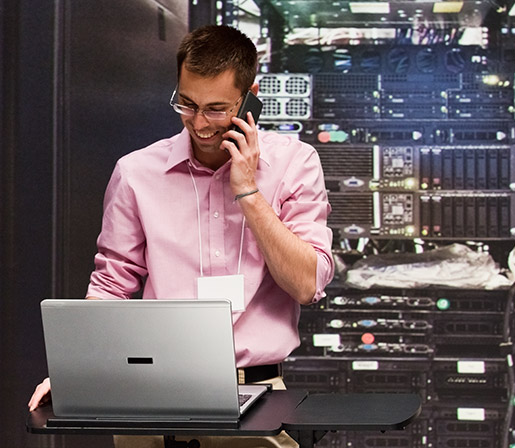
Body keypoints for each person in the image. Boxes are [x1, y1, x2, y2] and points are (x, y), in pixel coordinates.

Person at [28, 24, 335, 448]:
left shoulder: (295, 164)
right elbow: (112, 284)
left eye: (216, 108)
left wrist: (248, 190)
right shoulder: (136, 172)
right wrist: (75, 374)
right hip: (150, 397)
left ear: (251, 97)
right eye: (187, 104)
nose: (200, 124)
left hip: (258, 400)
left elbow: (306, 283)